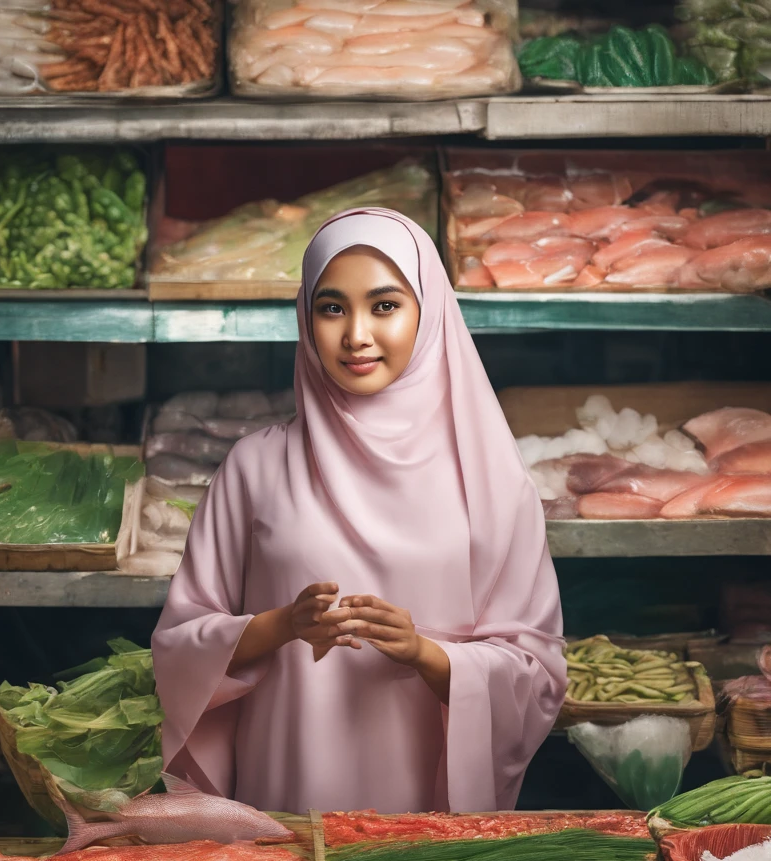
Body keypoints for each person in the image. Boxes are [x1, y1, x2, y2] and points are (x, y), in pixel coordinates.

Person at [152, 208, 566, 816]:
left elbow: (537, 674)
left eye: (385, 305)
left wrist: (425, 652)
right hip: (283, 796)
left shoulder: (492, 485)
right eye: (332, 308)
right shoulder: (255, 467)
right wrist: (282, 624)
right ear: (305, 316)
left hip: (424, 815)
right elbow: (179, 646)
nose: (356, 336)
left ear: (429, 314)